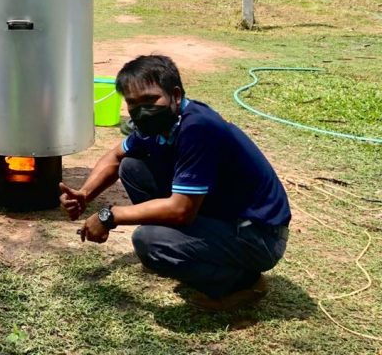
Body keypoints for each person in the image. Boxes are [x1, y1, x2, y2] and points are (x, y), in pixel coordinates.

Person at [61, 55, 290, 311]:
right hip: (223, 214)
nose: (142, 111)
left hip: (260, 235)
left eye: (150, 100)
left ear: (176, 95)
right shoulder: (160, 124)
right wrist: (85, 193)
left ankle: (243, 283)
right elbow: (116, 156)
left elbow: (182, 210)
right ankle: (181, 247)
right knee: (132, 167)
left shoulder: (198, 128)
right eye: (133, 103)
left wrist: (109, 216)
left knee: (149, 241)